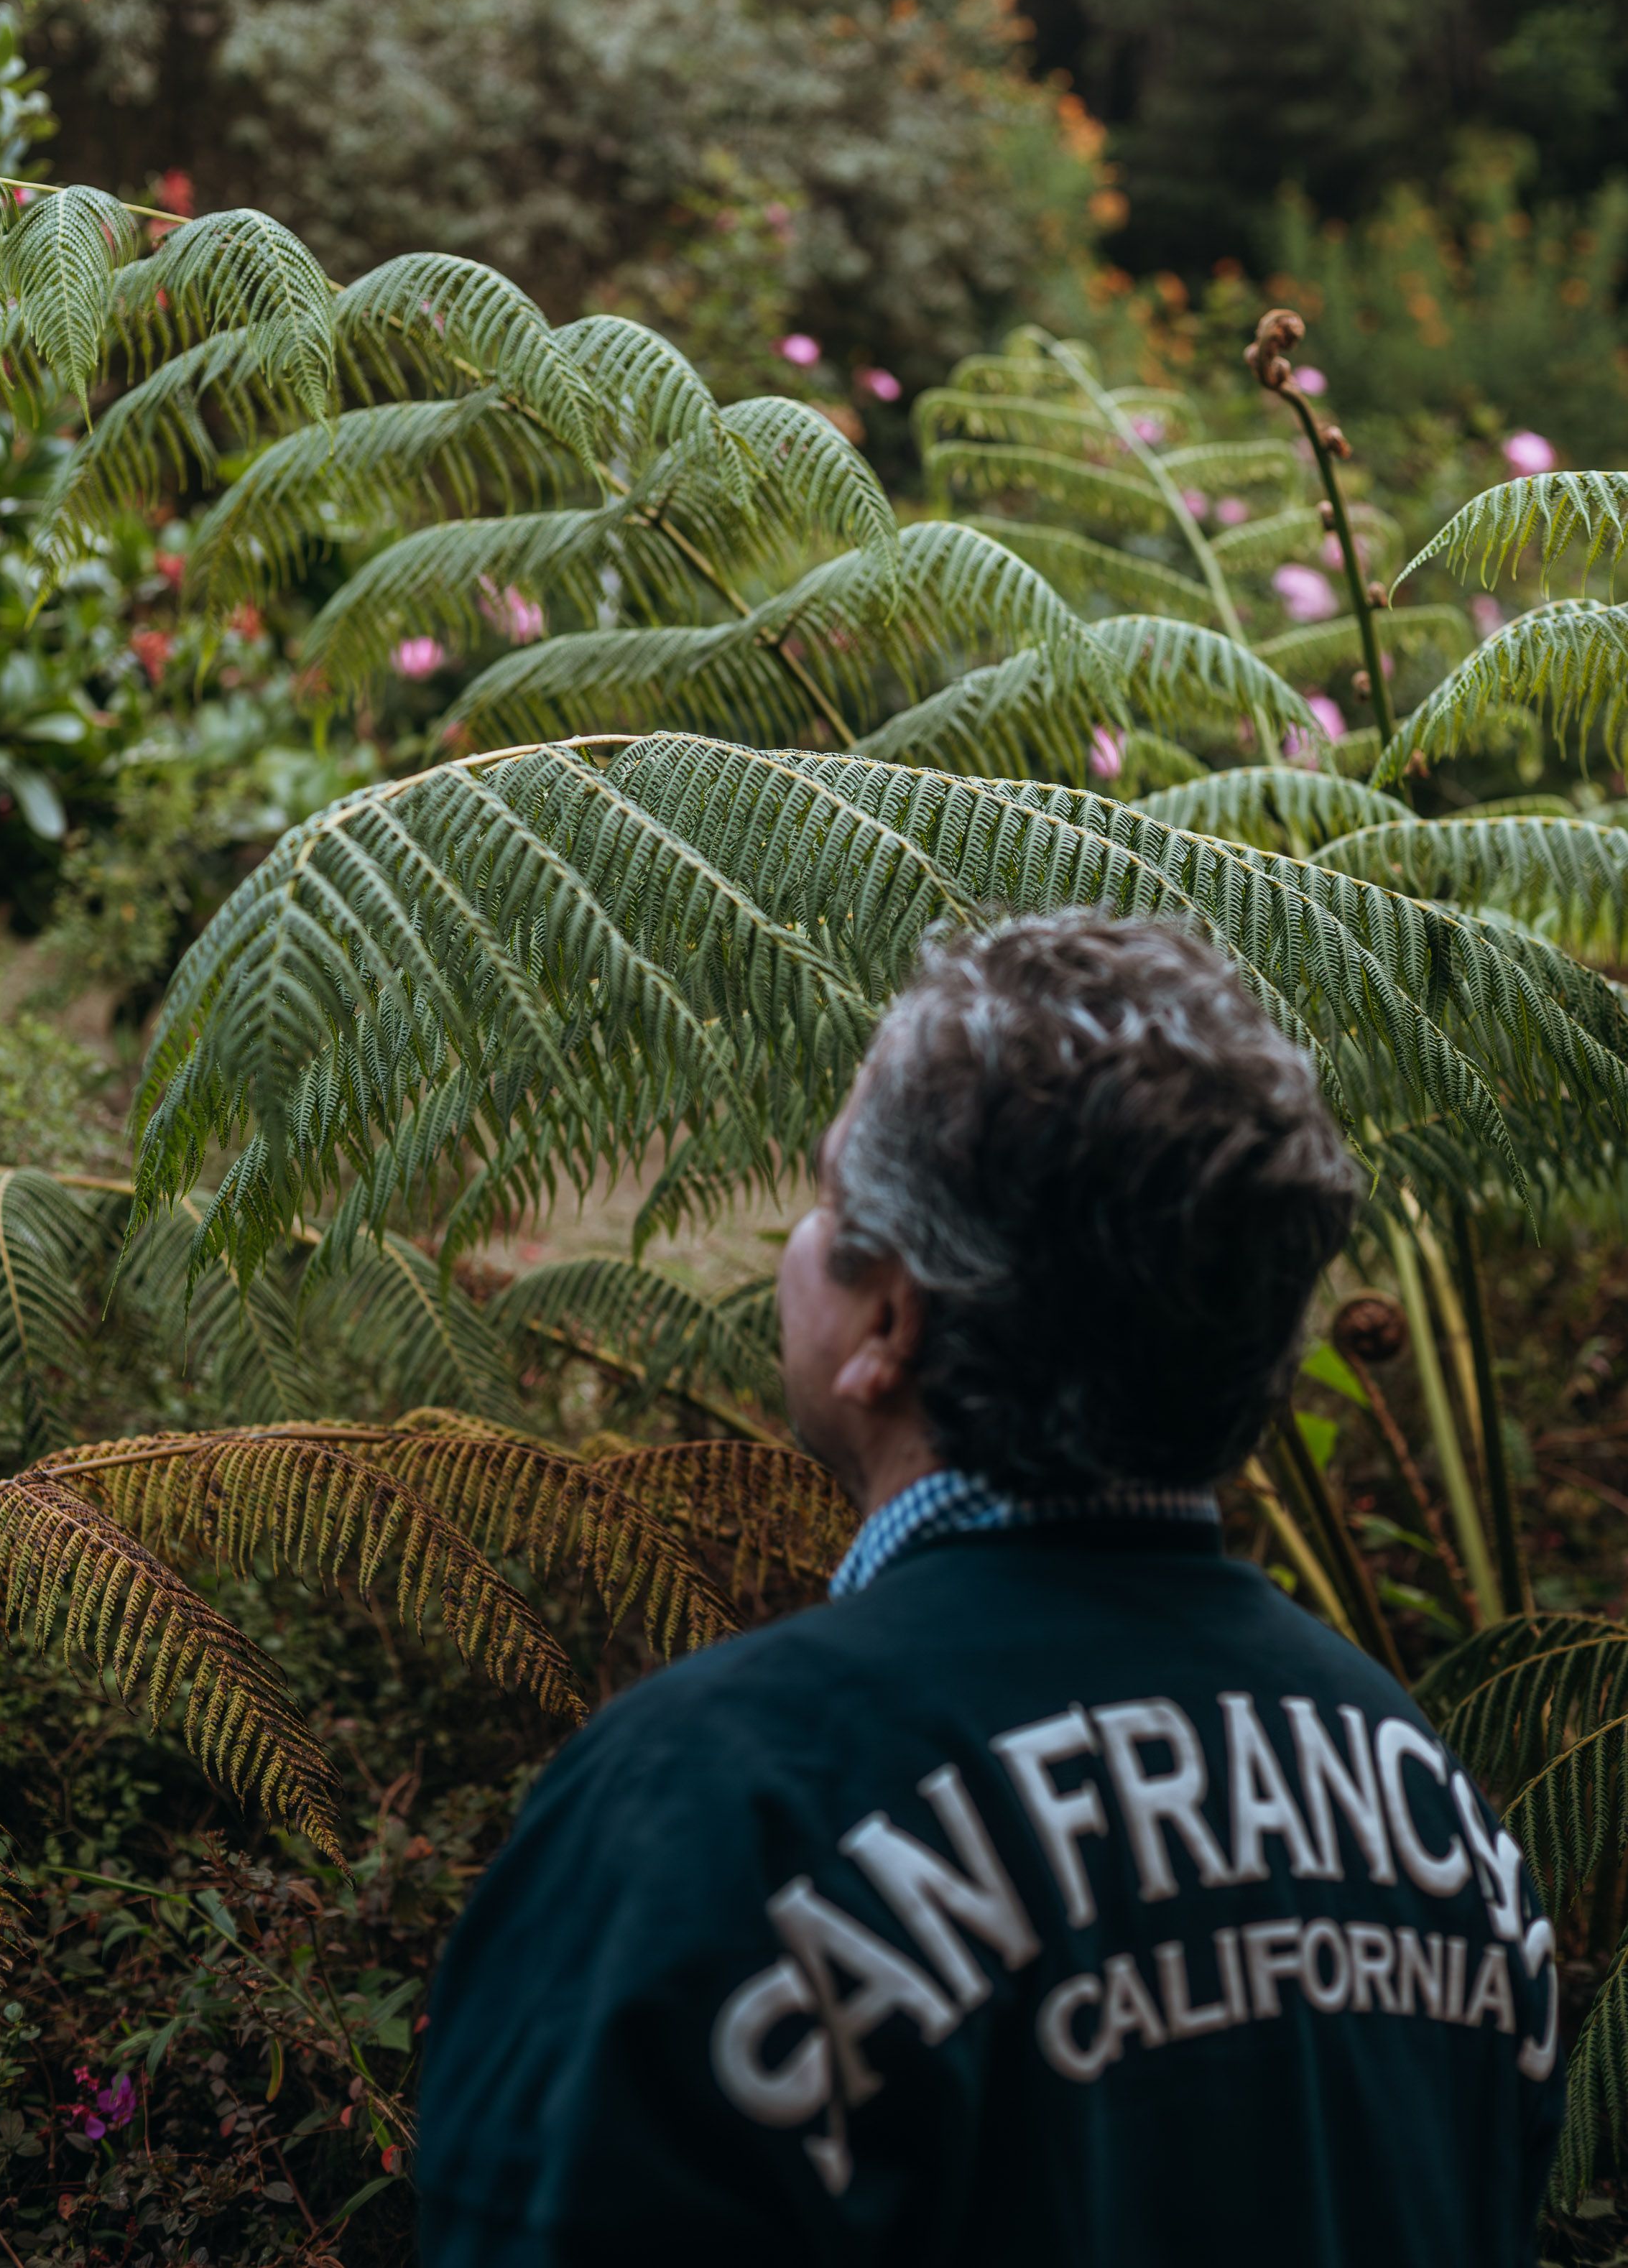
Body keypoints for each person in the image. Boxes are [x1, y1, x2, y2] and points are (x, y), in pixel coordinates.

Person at [417, 913, 1562, 2267]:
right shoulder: (1440, 1826)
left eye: (827, 1199)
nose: (798, 1237)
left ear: (889, 1322)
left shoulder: (716, 1813)